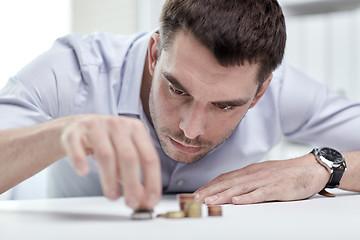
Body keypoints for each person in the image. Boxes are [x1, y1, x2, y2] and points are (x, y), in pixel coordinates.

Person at [1, 0, 360, 210]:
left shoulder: (283, 90)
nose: (191, 129)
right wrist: (59, 133)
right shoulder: (74, 70)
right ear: (155, 55)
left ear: (260, 93)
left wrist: (323, 168)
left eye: (224, 106)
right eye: (178, 90)